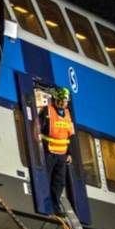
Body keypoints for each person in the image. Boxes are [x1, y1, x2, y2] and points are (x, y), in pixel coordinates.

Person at [37, 87, 74, 216]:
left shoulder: (68, 114)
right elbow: (37, 129)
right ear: (55, 100)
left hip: (62, 155)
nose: (63, 103)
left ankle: (55, 206)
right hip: (49, 152)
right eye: (61, 100)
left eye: (65, 101)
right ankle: (45, 204)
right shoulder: (47, 111)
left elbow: (70, 135)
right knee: (46, 178)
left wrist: (69, 153)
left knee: (59, 181)